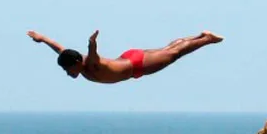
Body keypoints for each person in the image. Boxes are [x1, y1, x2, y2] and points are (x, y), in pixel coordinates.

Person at [27, 29, 223, 83]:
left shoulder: (91, 65)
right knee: (168, 49)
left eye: (68, 69)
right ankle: (200, 35)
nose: (67, 73)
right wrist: (42, 38)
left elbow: (93, 52)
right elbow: (59, 48)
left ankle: (207, 39)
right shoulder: (73, 58)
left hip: (137, 64)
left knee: (173, 53)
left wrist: (92, 42)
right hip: (128, 58)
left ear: (77, 63)